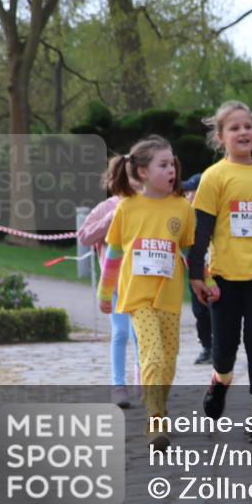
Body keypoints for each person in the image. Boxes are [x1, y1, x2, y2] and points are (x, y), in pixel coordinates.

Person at [188, 100, 252, 444]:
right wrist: (196, 273)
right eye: (234, 128)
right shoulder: (213, 177)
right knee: (226, 349)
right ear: (221, 137)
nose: (243, 132)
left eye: (248, 126)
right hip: (225, 275)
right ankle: (219, 381)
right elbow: (201, 230)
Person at [96, 136, 195, 450]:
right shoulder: (126, 208)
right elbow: (113, 254)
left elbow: (190, 253)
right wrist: (104, 292)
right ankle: (155, 422)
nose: (171, 170)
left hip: (169, 297)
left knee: (168, 360)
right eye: (162, 165)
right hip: (137, 298)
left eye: (172, 164)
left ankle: (160, 408)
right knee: (151, 355)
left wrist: (202, 283)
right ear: (141, 172)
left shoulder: (183, 208)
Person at [78, 189, 140, 408]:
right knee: (121, 332)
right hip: (115, 284)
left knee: (141, 335)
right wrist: (109, 220)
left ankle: (142, 383)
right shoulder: (107, 206)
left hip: (143, 283)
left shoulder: (151, 202)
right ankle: (118, 385)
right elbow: (85, 235)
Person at [181, 173, 213, 364]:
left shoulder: (212, 216)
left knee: (214, 310)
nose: (187, 196)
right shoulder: (186, 217)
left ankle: (219, 347)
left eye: (190, 191)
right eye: (185, 192)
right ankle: (206, 347)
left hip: (215, 271)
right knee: (199, 311)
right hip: (195, 272)